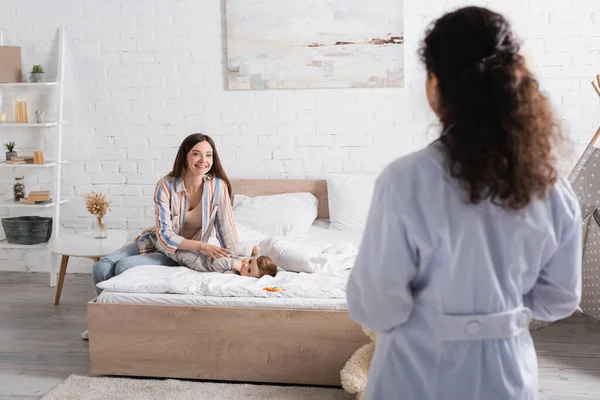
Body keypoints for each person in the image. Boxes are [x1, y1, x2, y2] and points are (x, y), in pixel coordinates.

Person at [346, 6, 582, 400]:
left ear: (435, 83)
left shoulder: (405, 180)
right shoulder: (550, 187)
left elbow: (377, 307)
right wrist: (496, 306)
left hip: (415, 374)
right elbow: (560, 297)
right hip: (506, 375)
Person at [84, 133, 242, 339]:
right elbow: (165, 236)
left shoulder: (218, 187)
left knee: (123, 267)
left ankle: (121, 327)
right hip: (158, 243)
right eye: (196, 154)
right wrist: (202, 247)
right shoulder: (166, 186)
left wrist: (240, 261)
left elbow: (227, 230)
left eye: (209, 155)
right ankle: (102, 323)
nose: (204, 160)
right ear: (185, 156)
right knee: (102, 266)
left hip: (183, 255)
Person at [173, 244, 278, 278]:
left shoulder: (233, 272)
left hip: (199, 262)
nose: (245, 265)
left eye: (249, 271)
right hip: (205, 254)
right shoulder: (245, 264)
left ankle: (160, 244)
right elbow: (254, 263)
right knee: (185, 245)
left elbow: (217, 264)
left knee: (178, 252)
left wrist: (232, 264)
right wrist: (255, 254)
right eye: (249, 262)